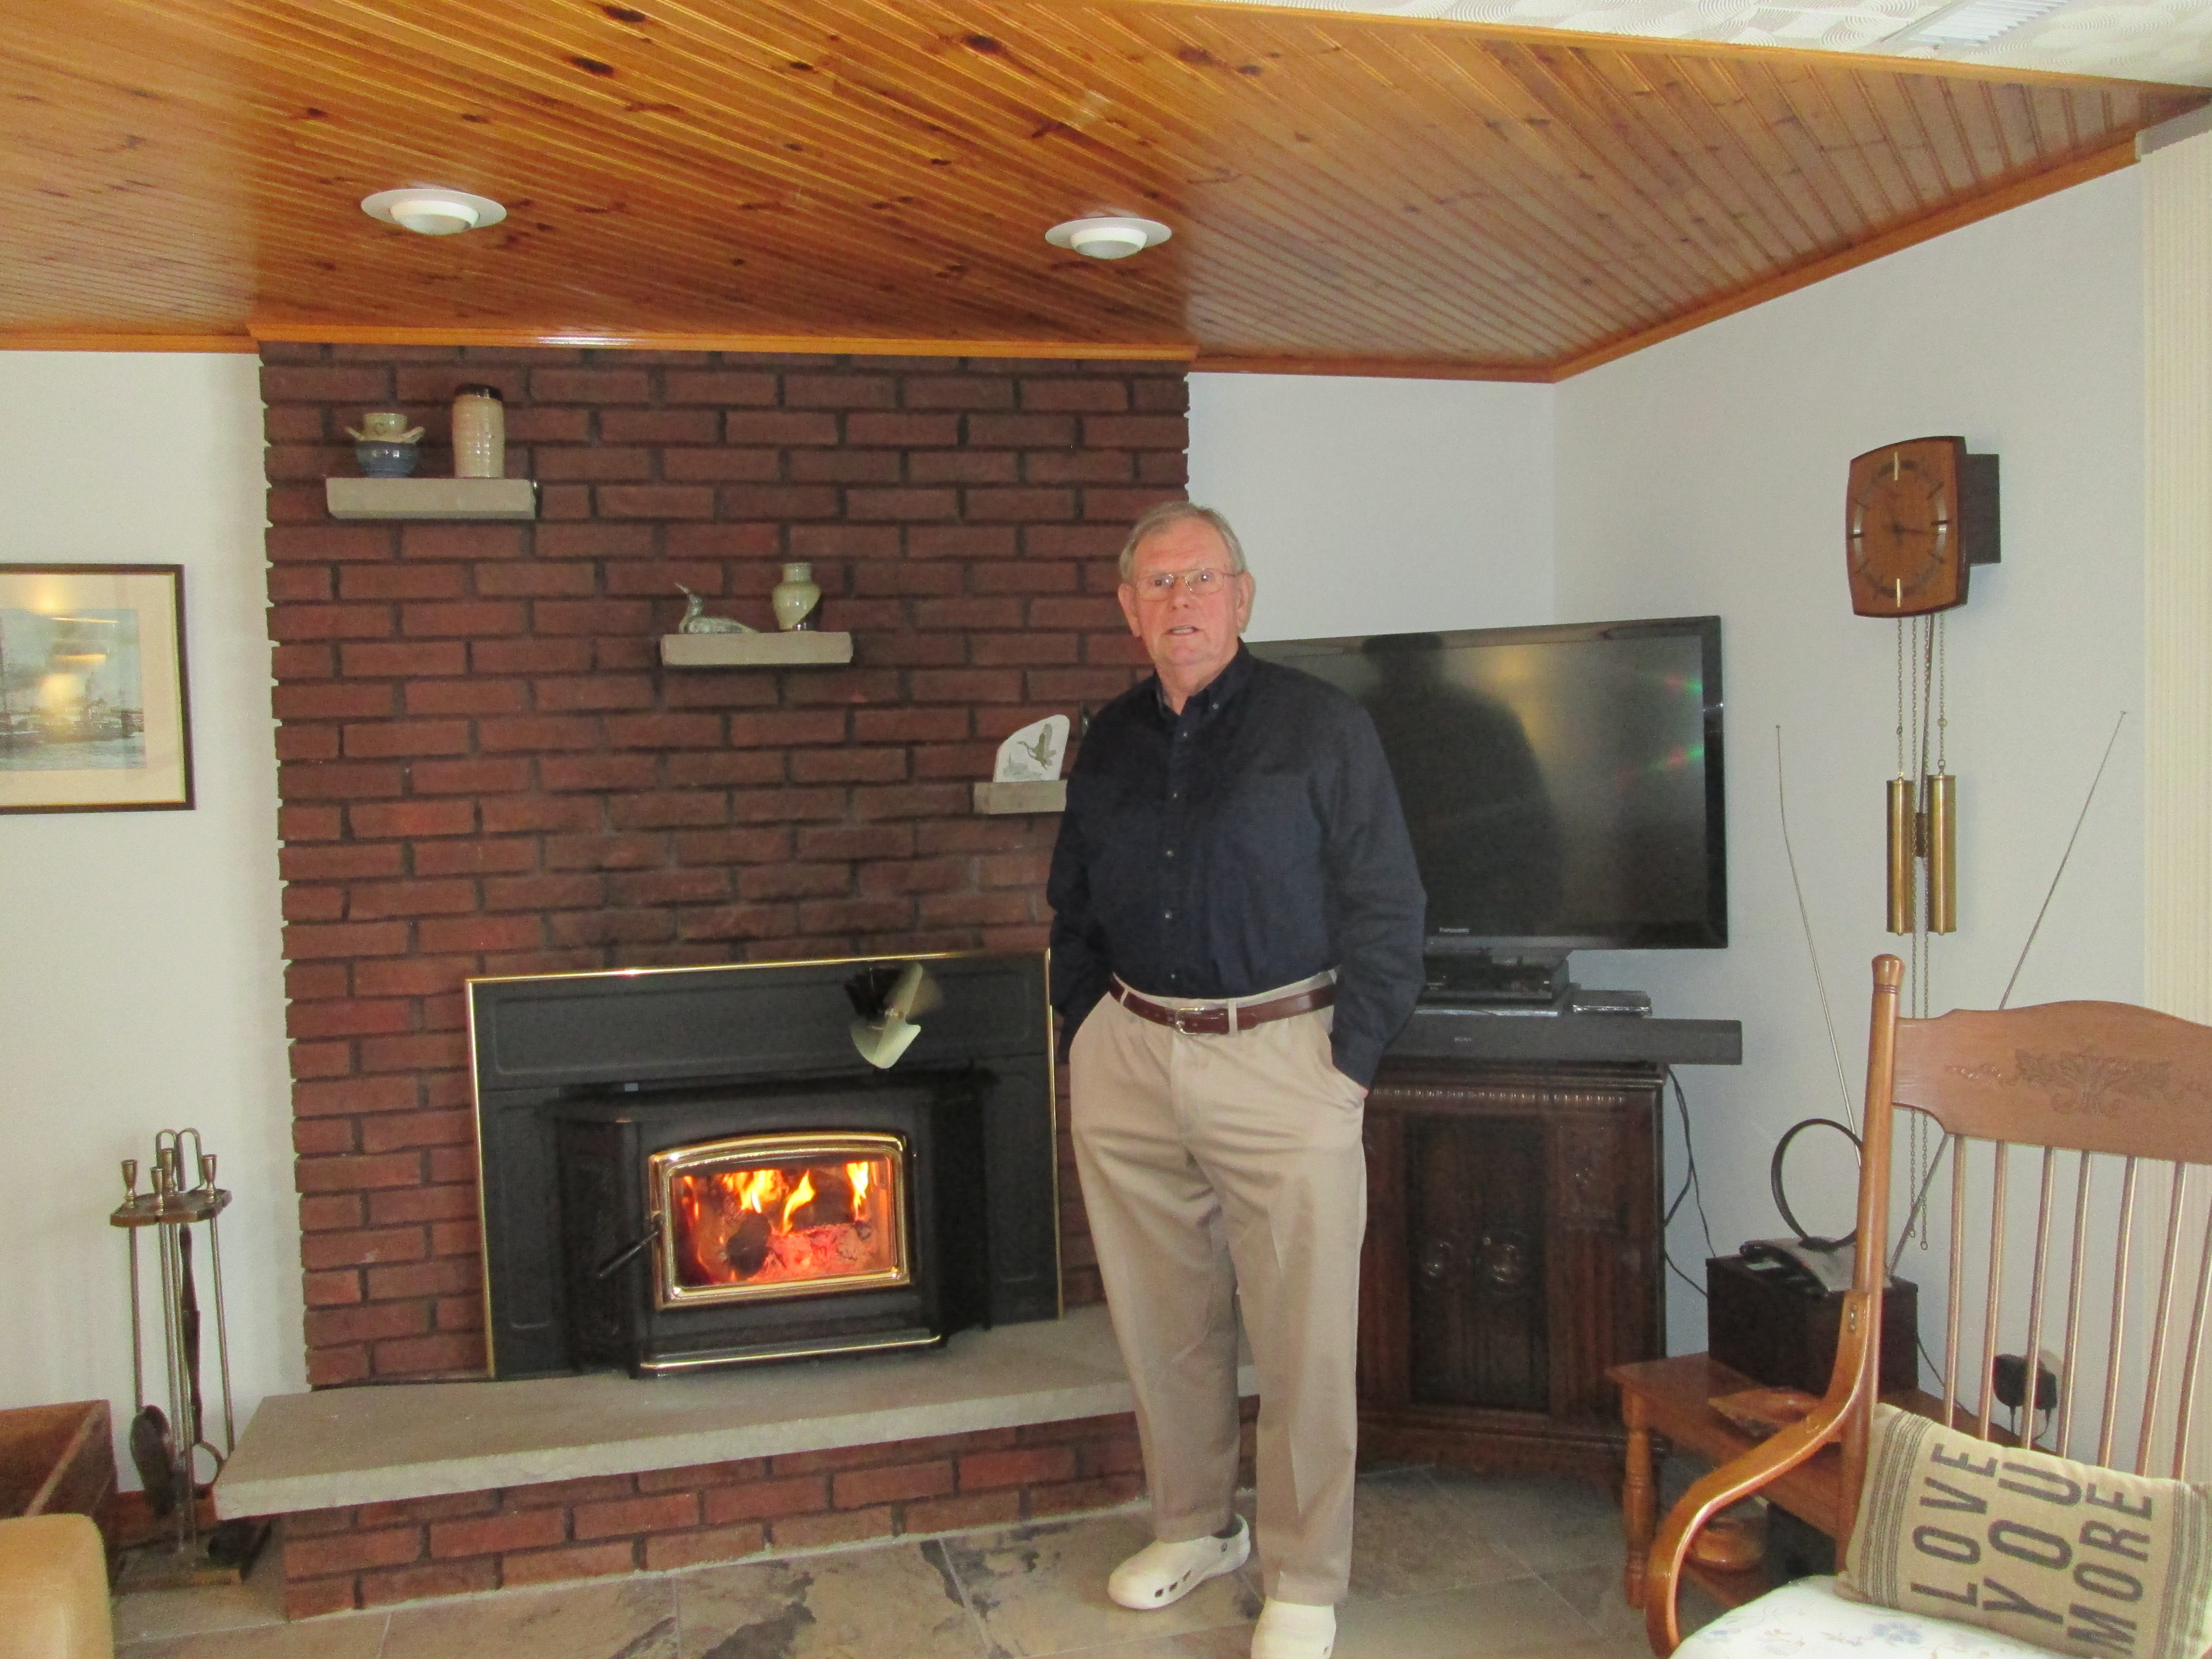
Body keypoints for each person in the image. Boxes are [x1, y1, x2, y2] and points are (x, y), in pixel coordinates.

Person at [1046, 502, 1427, 1659]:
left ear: (1243, 596)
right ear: (1129, 610)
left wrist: (1345, 1069)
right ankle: (1196, 1528)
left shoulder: (1322, 725)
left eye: (1202, 579)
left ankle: (1305, 1577)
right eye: (1158, 585)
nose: (1182, 603)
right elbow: (1073, 901)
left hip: (1283, 1058)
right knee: (1164, 1322)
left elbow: (1388, 904)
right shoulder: (1109, 739)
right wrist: (1086, 1036)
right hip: (1132, 1052)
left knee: (1305, 1337)